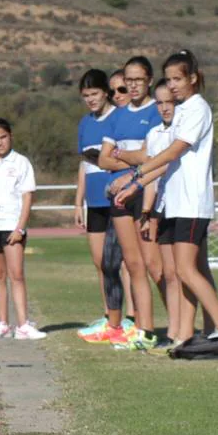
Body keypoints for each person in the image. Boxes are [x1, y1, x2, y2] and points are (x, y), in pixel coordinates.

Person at [112, 50, 218, 341]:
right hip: (174, 202)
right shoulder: (181, 111)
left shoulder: (197, 109)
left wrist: (137, 170)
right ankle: (184, 335)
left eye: (178, 79)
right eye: (169, 80)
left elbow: (173, 152)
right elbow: (167, 163)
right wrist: (136, 183)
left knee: (185, 269)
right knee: (188, 271)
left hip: (192, 201)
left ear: (193, 78)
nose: (173, 85)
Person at [97, 56, 160, 348]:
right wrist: (129, 157)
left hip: (145, 193)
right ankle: (142, 330)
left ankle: (178, 327)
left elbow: (151, 157)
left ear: (149, 80)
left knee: (154, 266)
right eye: (128, 81)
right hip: (119, 197)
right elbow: (102, 158)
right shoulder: (119, 115)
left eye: (138, 80)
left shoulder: (156, 112)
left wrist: (124, 159)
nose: (133, 86)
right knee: (133, 265)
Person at [72, 70, 130, 344]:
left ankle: (132, 318)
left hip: (118, 197)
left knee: (126, 263)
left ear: (106, 92)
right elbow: (84, 164)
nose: (90, 100)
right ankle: (110, 317)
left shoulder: (118, 117)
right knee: (101, 264)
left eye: (94, 94)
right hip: (94, 201)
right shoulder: (84, 123)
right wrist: (78, 201)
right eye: (85, 96)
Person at [0, 119, 44, 340]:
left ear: (10, 136)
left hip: (12, 227)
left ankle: (23, 324)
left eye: (2, 137)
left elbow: (27, 197)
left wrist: (20, 228)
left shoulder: (22, 162)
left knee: (16, 275)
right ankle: (2, 323)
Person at [137, 79, 188, 346]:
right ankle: (173, 333)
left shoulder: (183, 131)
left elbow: (162, 167)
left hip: (186, 206)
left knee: (187, 272)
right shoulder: (155, 133)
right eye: (160, 102)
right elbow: (152, 180)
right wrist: (147, 213)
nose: (165, 108)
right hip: (163, 208)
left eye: (170, 102)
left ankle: (201, 329)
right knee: (168, 274)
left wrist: (134, 179)